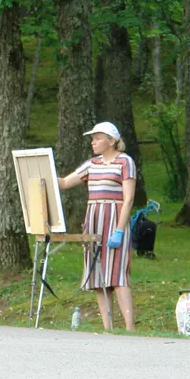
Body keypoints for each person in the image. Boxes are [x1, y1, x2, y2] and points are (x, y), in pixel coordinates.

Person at [58, 122, 136, 331]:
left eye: (97, 138)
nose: (93, 142)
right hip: (94, 222)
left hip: (114, 220)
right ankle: (107, 327)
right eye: (92, 138)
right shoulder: (92, 164)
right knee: (98, 276)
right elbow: (65, 183)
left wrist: (119, 230)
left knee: (118, 274)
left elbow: (128, 199)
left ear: (111, 141)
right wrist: (42, 175)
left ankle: (130, 328)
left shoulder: (124, 162)